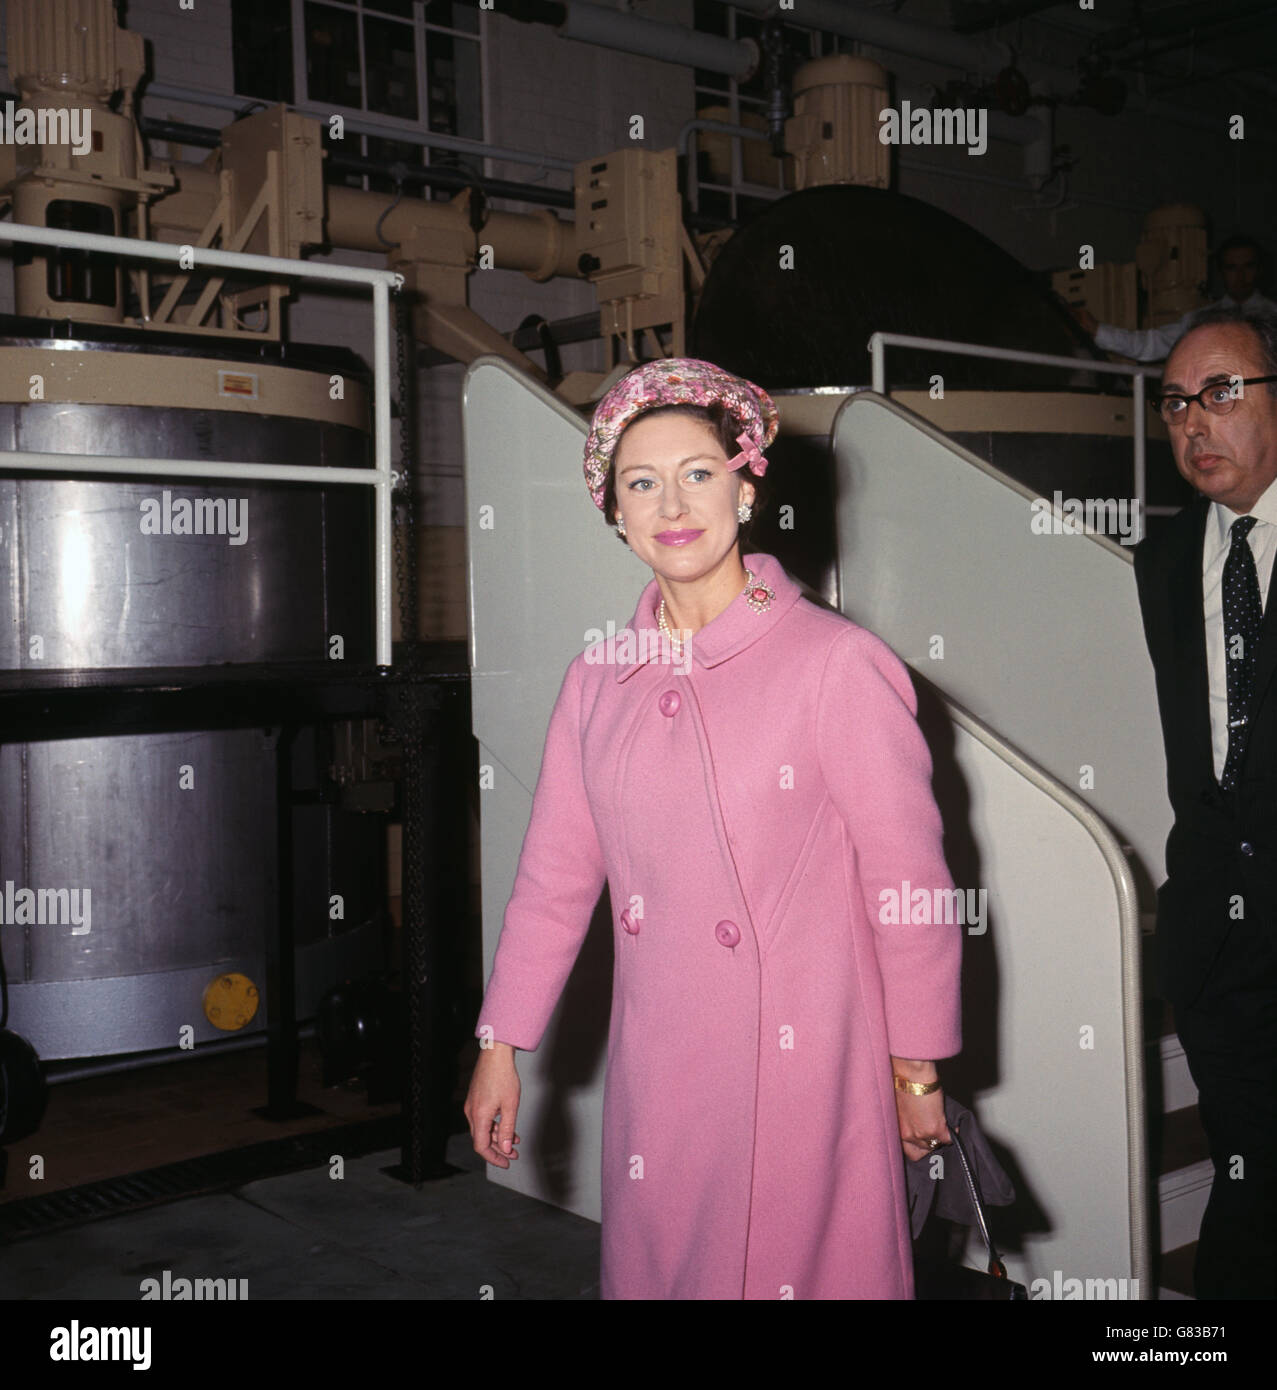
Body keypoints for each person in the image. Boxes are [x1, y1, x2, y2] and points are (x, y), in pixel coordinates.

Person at [463, 357, 963, 1299]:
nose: (671, 503)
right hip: (661, 1066)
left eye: (697, 472)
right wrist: (500, 1043)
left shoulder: (834, 664)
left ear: (744, 486)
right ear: (613, 513)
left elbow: (911, 885)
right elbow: (554, 878)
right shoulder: (598, 678)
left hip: (803, 1067)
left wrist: (916, 1067)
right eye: (639, 483)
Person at [1133, 305, 1277, 1298]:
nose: (1193, 420)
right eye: (1175, 403)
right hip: (1215, 935)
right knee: (1244, 1156)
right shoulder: (1158, 560)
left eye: (1221, 392)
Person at [1074, 234, 1277, 362]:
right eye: (1231, 268)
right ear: (1221, 272)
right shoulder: (1203, 319)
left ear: (1259, 269)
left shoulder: (1273, 316)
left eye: (1248, 266)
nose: (1240, 276)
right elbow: (1151, 344)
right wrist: (1098, 330)